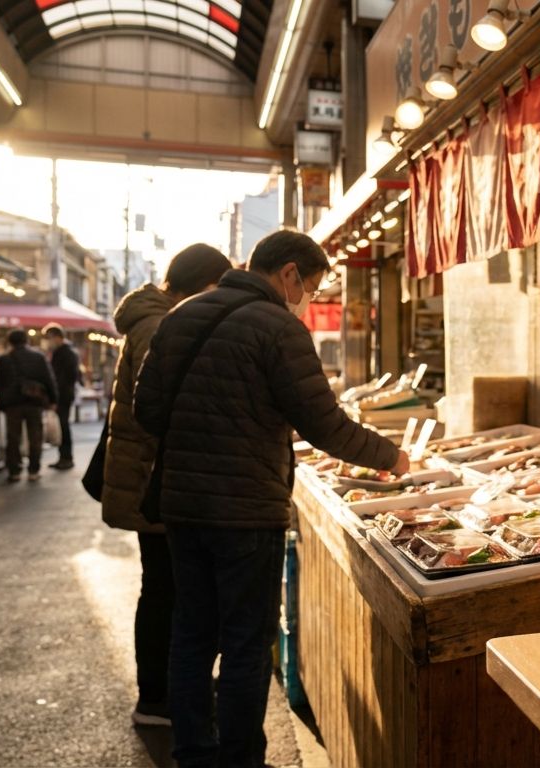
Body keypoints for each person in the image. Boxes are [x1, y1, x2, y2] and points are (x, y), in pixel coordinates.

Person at [134, 230, 410, 768]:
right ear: (288, 273)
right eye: (308, 285)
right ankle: (240, 759)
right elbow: (322, 423)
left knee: (191, 634)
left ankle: (192, 754)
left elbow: (148, 410)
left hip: (183, 507)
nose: (306, 296)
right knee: (244, 642)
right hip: (245, 512)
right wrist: (392, 458)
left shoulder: (182, 316)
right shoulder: (279, 327)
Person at [101, 243, 233, 729]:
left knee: (164, 590)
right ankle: (159, 699)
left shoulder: (154, 317)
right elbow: (163, 409)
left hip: (151, 478)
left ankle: (163, 694)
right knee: (167, 592)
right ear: (202, 284)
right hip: (156, 481)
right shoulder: (160, 325)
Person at [0, 329, 58, 482]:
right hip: (34, 403)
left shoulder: (4, 360)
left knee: (13, 437)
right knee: (35, 436)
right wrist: (53, 400)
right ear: (26, 340)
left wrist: (1, 404)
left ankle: (14, 470)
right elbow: (49, 380)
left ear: (10, 342)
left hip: (12, 405)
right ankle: (33, 470)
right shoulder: (38, 357)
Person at [42, 324, 82, 470]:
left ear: (57, 337)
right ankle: (64, 457)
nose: (48, 342)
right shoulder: (63, 352)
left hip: (63, 396)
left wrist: (55, 398)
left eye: (49, 338)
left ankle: (66, 457)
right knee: (62, 426)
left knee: (63, 426)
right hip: (63, 395)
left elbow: (64, 378)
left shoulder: (66, 353)